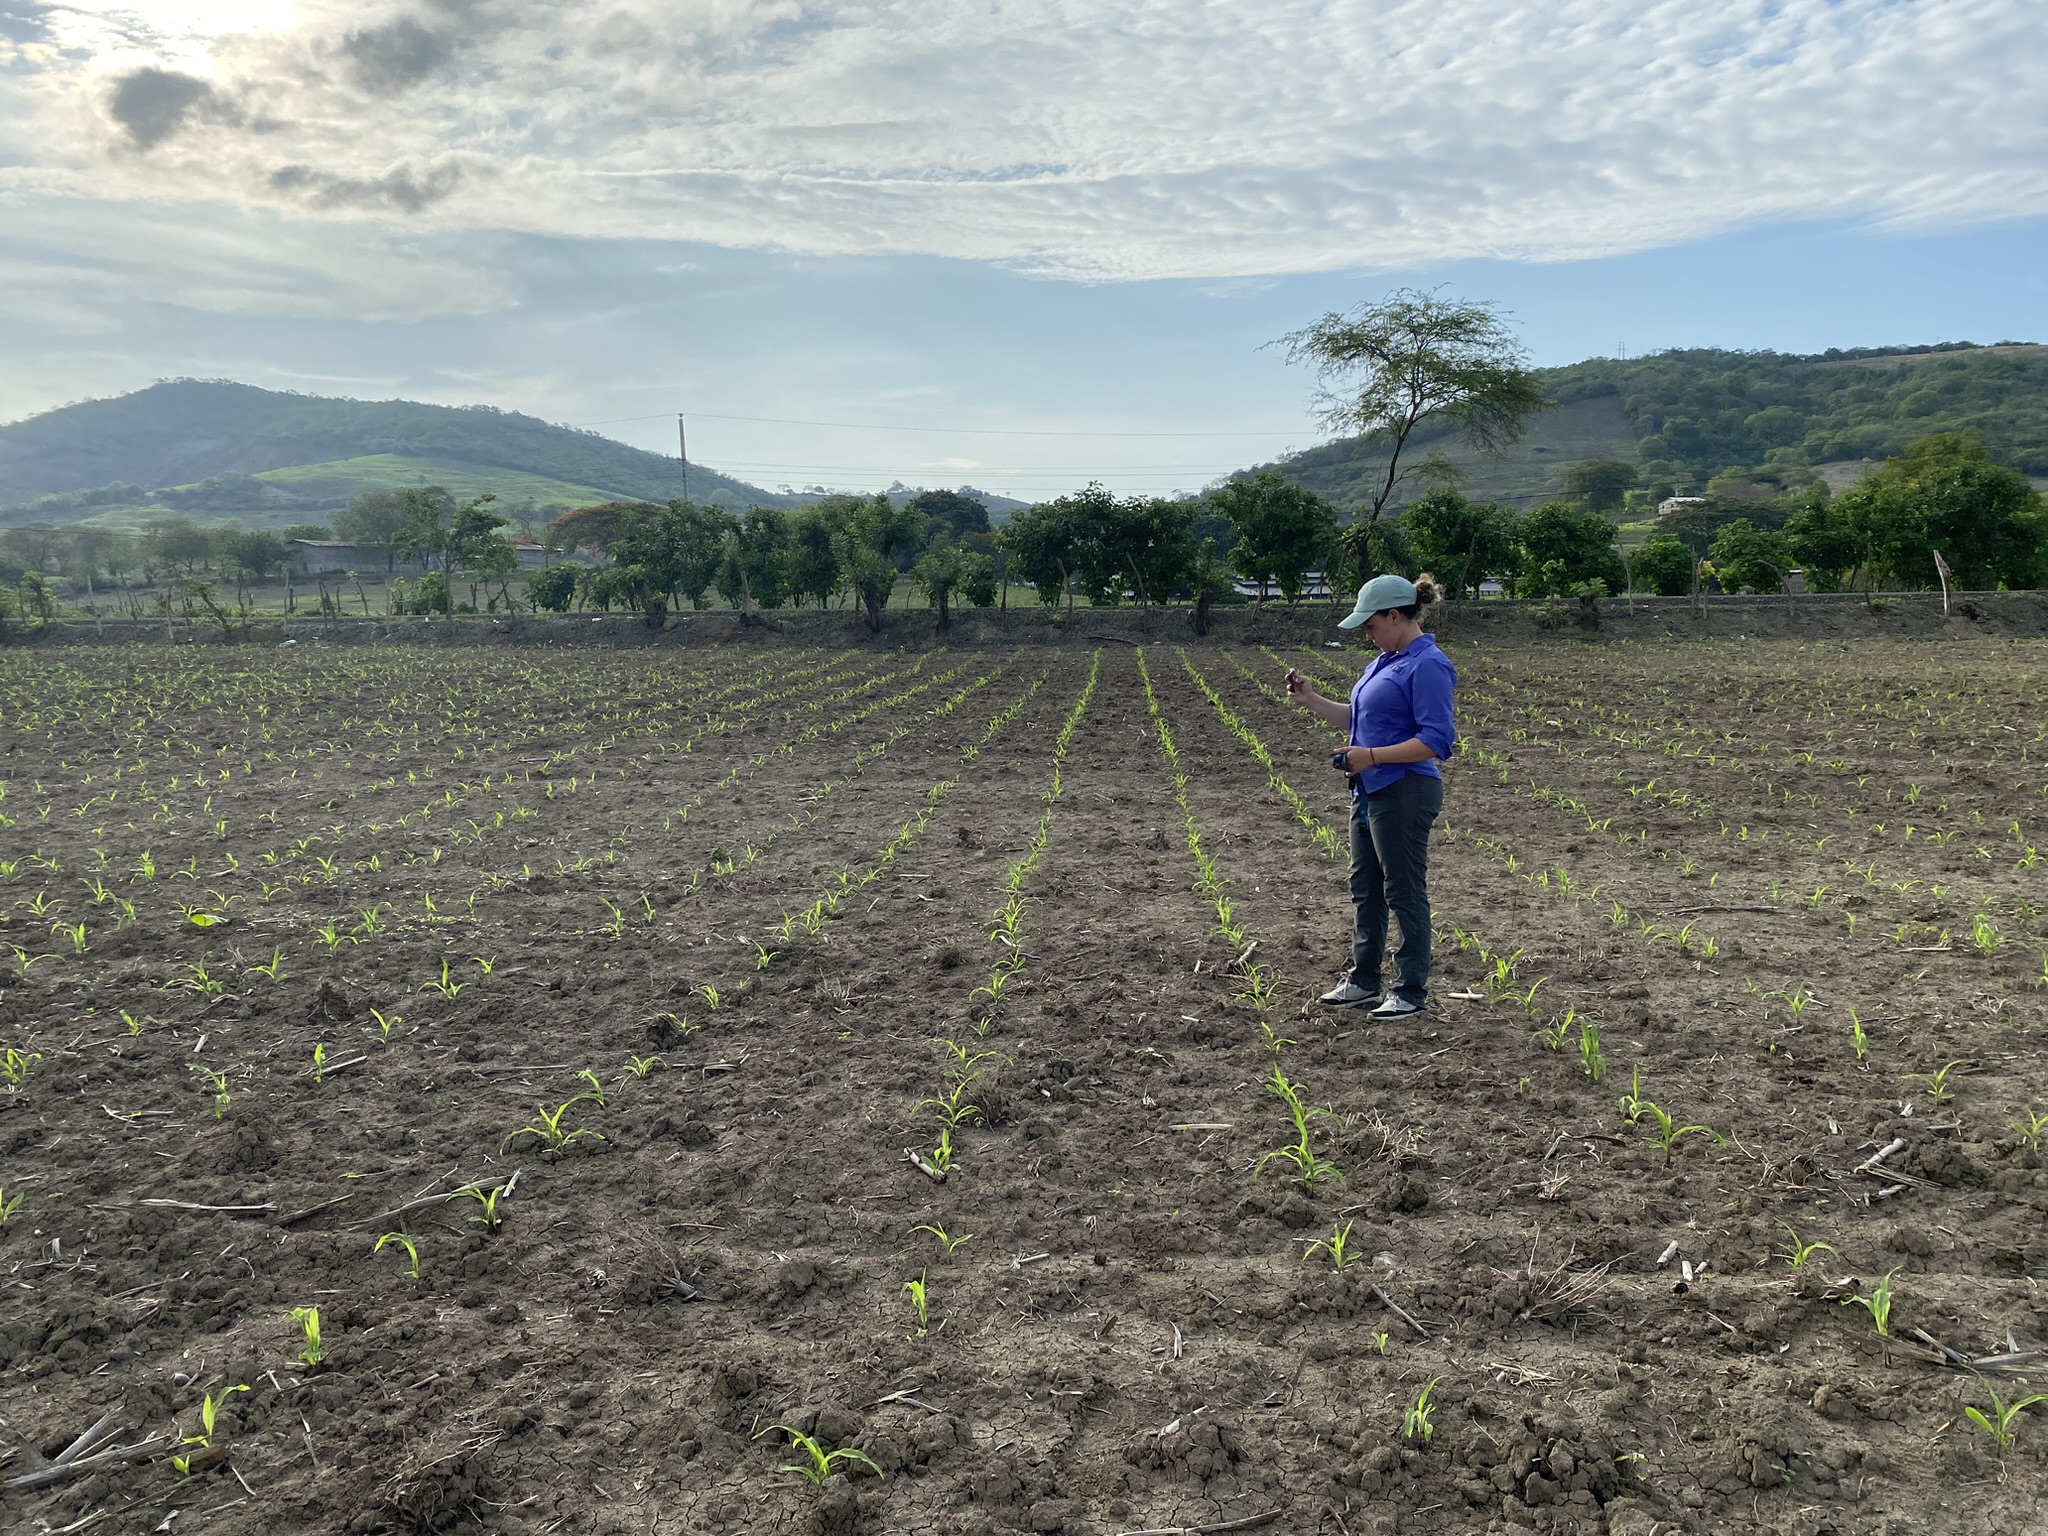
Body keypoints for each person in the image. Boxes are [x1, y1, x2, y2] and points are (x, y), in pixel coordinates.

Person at [1283, 573, 1455, 1019]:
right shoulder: (1384, 661)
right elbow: (1359, 722)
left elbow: (1437, 740)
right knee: (1367, 889)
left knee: (1403, 890)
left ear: (1395, 615)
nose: (1367, 632)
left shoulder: (1427, 664)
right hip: (1370, 789)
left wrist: (1373, 756)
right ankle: (1364, 981)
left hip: (1405, 790)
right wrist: (1312, 699)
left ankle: (1411, 989)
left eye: (1371, 624)